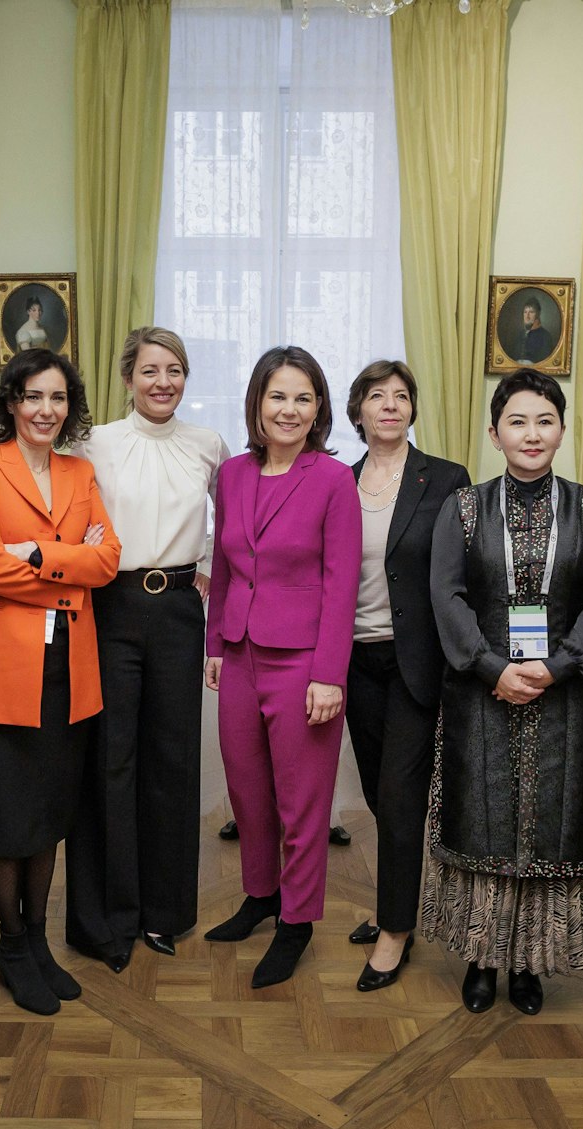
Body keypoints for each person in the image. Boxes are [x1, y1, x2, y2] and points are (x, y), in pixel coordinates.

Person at [423, 370, 583, 1013]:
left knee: (549, 826)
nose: (532, 434)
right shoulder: (463, 507)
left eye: (545, 421)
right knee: (483, 822)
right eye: (518, 421)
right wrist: (490, 668)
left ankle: (530, 966)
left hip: (564, 697)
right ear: (494, 433)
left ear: (563, 431)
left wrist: (559, 665)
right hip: (481, 694)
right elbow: (446, 594)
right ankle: (482, 961)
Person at [0, 348, 121, 1015]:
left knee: (50, 814)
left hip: (68, 667)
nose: (47, 409)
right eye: (34, 396)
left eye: (59, 398)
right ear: (10, 401)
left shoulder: (80, 469)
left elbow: (109, 559)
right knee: (10, 816)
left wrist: (37, 554)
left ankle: (36, 941)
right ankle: (12, 945)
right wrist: (68, 561)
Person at [66, 328, 229, 969]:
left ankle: (166, 913)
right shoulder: (94, 442)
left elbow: (235, 524)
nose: (163, 382)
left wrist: (210, 569)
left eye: (175, 370)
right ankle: (114, 914)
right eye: (150, 370)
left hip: (181, 612)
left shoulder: (208, 446)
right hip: (111, 605)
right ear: (128, 378)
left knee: (172, 761)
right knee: (112, 759)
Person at [204, 346, 362, 988]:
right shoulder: (233, 474)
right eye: (278, 396)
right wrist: (214, 642)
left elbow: (341, 580)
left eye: (303, 398)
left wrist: (331, 674)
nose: (289, 409)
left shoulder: (332, 479)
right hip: (238, 653)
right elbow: (221, 564)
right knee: (247, 791)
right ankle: (260, 895)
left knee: (301, 802)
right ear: (257, 404)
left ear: (319, 408)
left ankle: (297, 920)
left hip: (303, 663)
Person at [338, 360, 470, 991]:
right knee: (375, 792)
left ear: (413, 409)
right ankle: (397, 906)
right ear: (357, 410)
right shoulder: (336, 482)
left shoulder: (445, 479)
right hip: (352, 660)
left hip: (416, 661)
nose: (389, 405)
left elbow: (462, 576)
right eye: (375, 395)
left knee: (399, 795)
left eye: (400, 396)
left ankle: (394, 930)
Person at [519, 298, 552, 365]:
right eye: (525, 312)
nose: (527, 316)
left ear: (538, 314)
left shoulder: (545, 336)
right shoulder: (520, 334)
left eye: (531, 312)